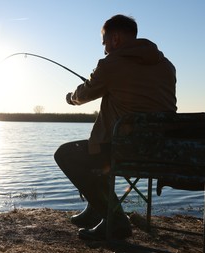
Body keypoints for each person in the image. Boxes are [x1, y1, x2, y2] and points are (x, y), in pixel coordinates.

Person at [54, 14, 177, 240]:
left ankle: (115, 220)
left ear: (116, 38)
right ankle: (96, 210)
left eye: (105, 43)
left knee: (67, 154)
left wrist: (71, 97)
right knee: (102, 143)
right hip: (162, 152)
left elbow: (85, 94)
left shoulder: (111, 64)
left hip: (127, 152)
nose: (104, 50)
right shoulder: (167, 66)